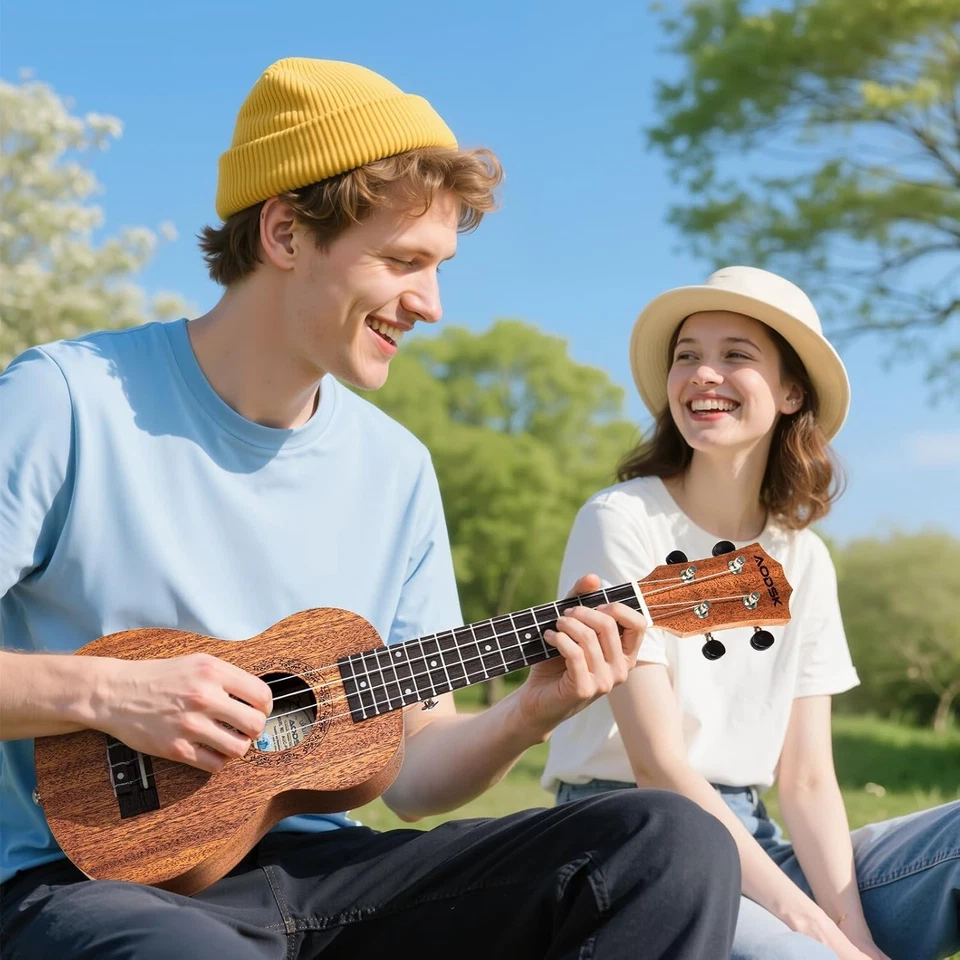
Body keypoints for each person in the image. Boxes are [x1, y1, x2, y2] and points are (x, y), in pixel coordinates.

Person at [0, 58, 741, 959]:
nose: (431, 304)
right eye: (403, 261)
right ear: (283, 232)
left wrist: (529, 712)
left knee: (667, 843)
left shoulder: (396, 468)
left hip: (327, 883)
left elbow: (415, 772)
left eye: (440, 267)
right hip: (86, 888)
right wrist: (112, 694)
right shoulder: (65, 402)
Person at [542, 265, 960, 960]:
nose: (704, 373)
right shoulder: (621, 520)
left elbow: (806, 779)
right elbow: (660, 767)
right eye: (687, 356)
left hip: (754, 842)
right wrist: (817, 933)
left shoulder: (803, 558)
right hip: (633, 840)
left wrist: (851, 931)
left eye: (736, 354)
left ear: (792, 391)